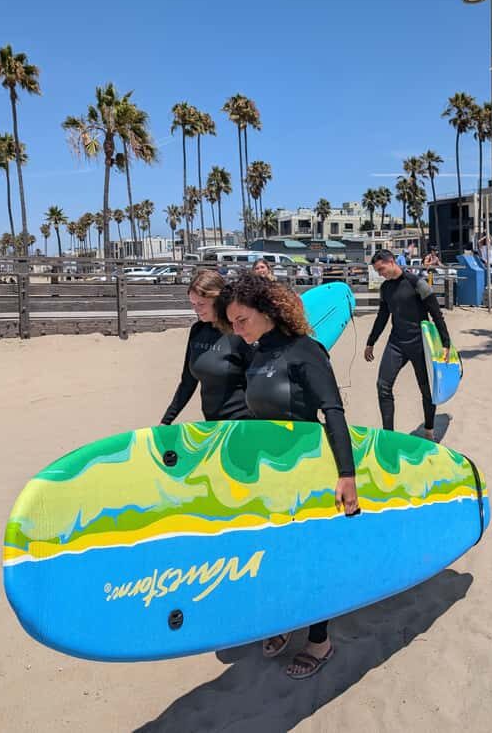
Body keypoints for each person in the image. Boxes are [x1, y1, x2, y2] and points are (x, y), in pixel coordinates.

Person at [215, 273, 358, 680]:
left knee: (309, 558)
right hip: (272, 474)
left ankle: (320, 640)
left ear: (267, 312)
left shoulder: (304, 350)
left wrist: (346, 474)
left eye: (242, 320)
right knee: (275, 554)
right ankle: (283, 621)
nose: (238, 330)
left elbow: (333, 411)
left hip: (308, 468)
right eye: (233, 323)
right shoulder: (257, 353)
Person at [364, 249, 451, 441]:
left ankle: (429, 429)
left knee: (426, 389)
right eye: (377, 271)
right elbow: (382, 317)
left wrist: (446, 343)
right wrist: (371, 341)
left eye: (381, 269)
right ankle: (388, 434)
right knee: (383, 386)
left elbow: (436, 314)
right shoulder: (385, 288)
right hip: (396, 342)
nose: (381, 274)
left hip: (420, 344)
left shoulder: (416, 283)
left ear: (392, 261)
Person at [159, 269, 252, 425]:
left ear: (219, 300)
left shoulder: (239, 333)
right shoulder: (197, 331)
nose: (196, 309)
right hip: (212, 424)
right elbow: (187, 382)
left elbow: (259, 383)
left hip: (243, 424)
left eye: (201, 304)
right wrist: (166, 421)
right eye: (193, 304)